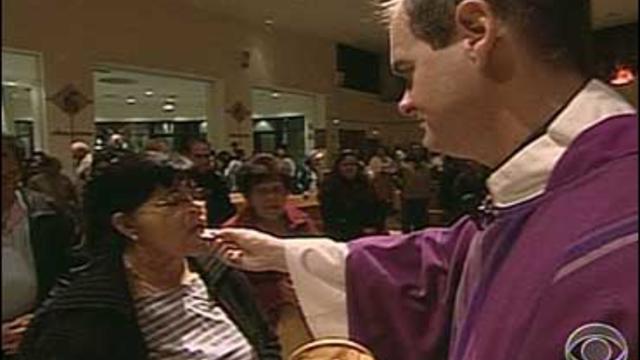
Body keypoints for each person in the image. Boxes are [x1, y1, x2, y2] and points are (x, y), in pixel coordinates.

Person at [210, 0, 638, 359]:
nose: (405, 103)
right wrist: (285, 255)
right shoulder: (556, 182)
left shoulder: (619, 215)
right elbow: (454, 260)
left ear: (477, 31)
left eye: (408, 72)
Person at [18, 151, 281, 360]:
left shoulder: (215, 269)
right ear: (126, 225)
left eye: (196, 195)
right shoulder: (86, 309)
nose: (197, 209)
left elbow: (265, 342)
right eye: (173, 201)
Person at [223, 153, 316, 358]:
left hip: (310, 311)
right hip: (262, 322)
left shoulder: (302, 223)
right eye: (262, 192)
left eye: (277, 190)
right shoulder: (234, 232)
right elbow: (231, 292)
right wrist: (277, 293)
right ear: (248, 196)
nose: (271, 198)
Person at [2, 135, 78, 358]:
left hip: (37, 339)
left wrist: (41, 320)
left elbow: (73, 273)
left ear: (18, 169)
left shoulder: (51, 214)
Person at [319, 150, 384, 241]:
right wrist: (357, 229)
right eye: (345, 165)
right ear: (338, 167)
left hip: (368, 234)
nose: (349, 168)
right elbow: (330, 215)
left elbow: (375, 207)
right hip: (341, 234)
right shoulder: (330, 186)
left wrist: (373, 226)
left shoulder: (364, 184)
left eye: (353, 165)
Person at [182, 138, 235, 226]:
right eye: (198, 156)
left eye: (206, 156)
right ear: (186, 156)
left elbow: (227, 210)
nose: (203, 161)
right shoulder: (178, 181)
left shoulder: (216, 180)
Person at [26, 155, 79, 219]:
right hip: (45, 213)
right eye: (52, 167)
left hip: (65, 211)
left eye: (57, 167)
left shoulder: (64, 179)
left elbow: (73, 196)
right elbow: (31, 197)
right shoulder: (36, 181)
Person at [398, 143, 432, 232]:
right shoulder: (403, 166)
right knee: (407, 221)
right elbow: (398, 180)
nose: (417, 152)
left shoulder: (428, 166)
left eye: (419, 150)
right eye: (414, 150)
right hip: (409, 196)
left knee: (421, 223)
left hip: (423, 196)